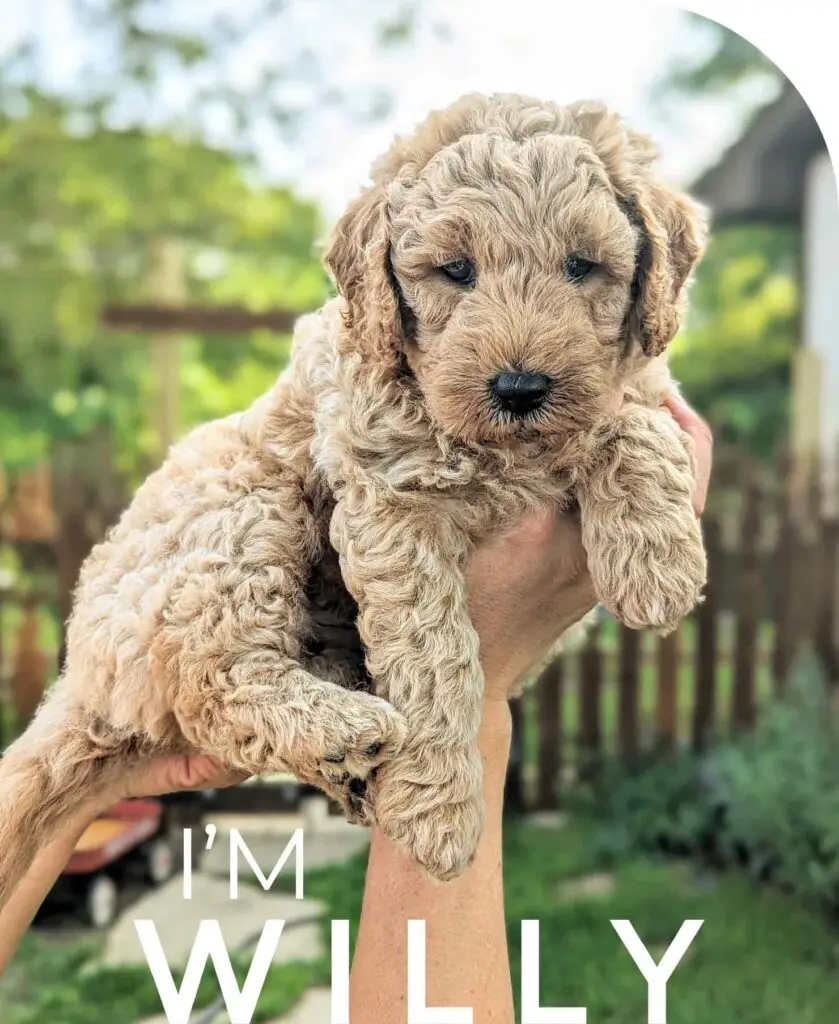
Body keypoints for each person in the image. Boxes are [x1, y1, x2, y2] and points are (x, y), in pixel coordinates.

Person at [0, 396, 712, 1023]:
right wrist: (472, 695)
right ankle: (236, 680)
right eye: (454, 273)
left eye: (582, 270)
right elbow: (393, 506)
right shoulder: (370, 367)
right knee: (237, 493)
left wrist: (636, 458)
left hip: (307, 621)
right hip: (219, 578)